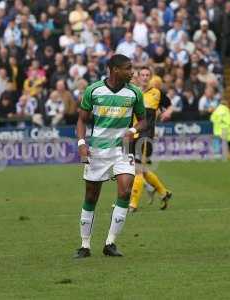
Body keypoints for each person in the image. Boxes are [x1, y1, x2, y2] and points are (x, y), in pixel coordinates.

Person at [75, 54, 146, 258]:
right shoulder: (93, 90)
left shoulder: (134, 93)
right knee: (91, 196)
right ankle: (85, 245)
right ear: (114, 70)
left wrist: (132, 131)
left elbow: (143, 121)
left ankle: (110, 243)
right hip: (97, 151)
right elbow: (81, 120)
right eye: (128, 68)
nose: (132, 72)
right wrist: (81, 144)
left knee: (125, 191)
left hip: (122, 151)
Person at [128, 67, 173, 212]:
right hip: (132, 135)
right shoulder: (133, 93)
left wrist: (167, 113)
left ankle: (133, 204)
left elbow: (170, 106)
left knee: (138, 170)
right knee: (142, 170)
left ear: (151, 77)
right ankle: (163, 192)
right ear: (138, 77)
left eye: (148, 75)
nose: (145, 77)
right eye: (143, 75)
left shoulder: (157, 93)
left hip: (145, 137)